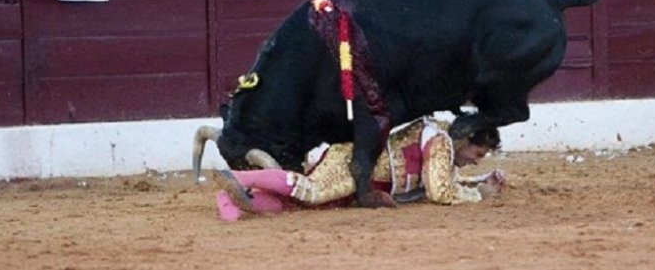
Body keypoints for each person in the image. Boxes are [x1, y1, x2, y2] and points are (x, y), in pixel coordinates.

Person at [213, 115, 506, 221]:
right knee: (311, 191)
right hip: (354, 164)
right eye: (477, 153)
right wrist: (478, 194)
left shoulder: (441, 140)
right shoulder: (440, 141)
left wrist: (477, 181)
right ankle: (238, 177)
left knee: (296, 206)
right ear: (465, 138)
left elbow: (444, 177)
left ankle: (233, 200)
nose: (476, 160)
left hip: (362, 183)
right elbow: (440, 190)